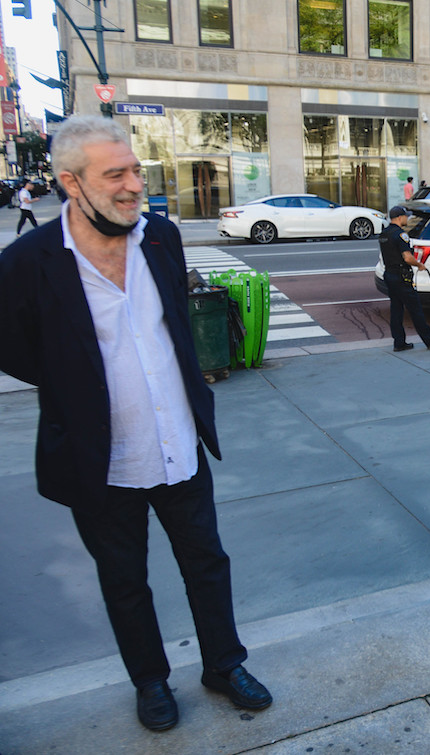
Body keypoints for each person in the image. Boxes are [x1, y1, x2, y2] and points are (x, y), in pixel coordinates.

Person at [0, 115, 272, 732]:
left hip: (179, 443)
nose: (132, 185)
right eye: (114, 174)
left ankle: (224, 665)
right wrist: (66, 380)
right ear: (71, 182)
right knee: (125, 581)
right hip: (100, 462)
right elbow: (12, 346)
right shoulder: (30, 261)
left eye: (135, 171)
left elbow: (174, 321)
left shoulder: (161, 238)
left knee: (208, 562)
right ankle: (150, 681)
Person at [380, 205, 430, 352]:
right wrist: (419, 265)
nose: (407, 218)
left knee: (396, 310)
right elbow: (407, 257)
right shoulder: (400, 235)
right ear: (399, 217)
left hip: (389, 275)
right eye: (405, 216)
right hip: (401, 277)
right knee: (415, 309)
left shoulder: (384, 233)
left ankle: (399, 343)